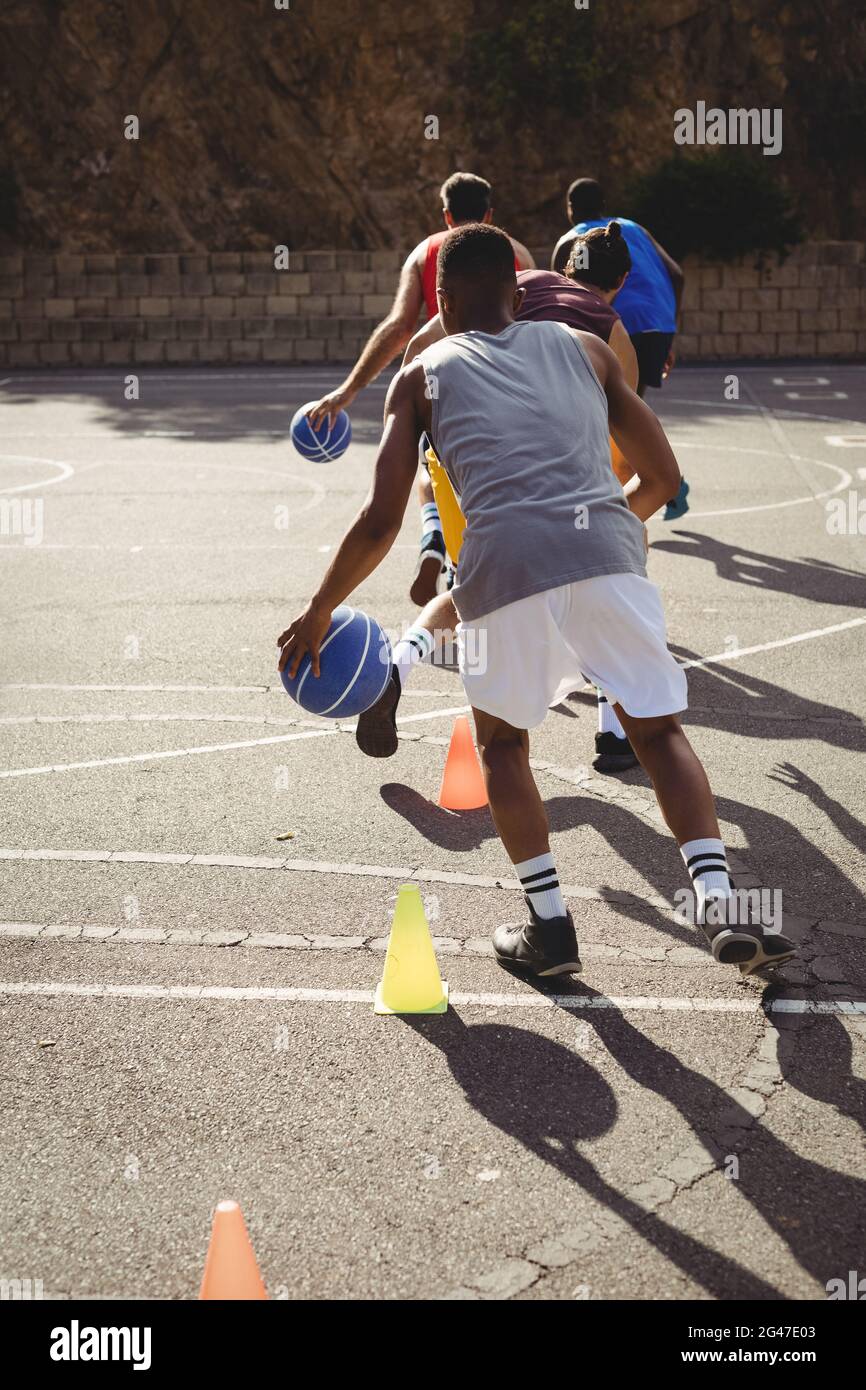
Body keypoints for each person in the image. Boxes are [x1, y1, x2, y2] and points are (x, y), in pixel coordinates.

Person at [277, 224, 795, 980]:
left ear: (442, 304)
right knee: (658, 734)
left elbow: (381, 519)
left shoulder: (418, 376)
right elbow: (662, 479)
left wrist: (322, 607)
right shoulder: (582, 350)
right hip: (608, 558)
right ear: (518, 295)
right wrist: (601, 529)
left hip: (501, 570)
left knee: (503, 745)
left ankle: (552, 931)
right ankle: (717, 903)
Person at [391, 224, 643, 774]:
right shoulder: (606, 332)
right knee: (600, 595)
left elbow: (417, 349)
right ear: (620, 281)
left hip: (469, 467)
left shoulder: (515, 283)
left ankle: (400, 662)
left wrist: (431, 441)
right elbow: (629, 457)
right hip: (569, 500)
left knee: (470, 588)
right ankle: (613, 736)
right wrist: (615, 516)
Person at [553, 177, 689, 519]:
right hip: (656, 324)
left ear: (570, 209)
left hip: (612, 329)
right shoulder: (633, 229)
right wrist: (666, 331)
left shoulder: (573, 241)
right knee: (625, 412)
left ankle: (643, 493)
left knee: (613, 420)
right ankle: (659, 481)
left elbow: (559, 295)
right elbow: (677, 274)